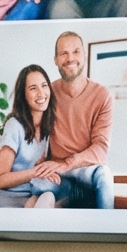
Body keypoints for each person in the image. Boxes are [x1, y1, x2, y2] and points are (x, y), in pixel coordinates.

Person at [41, 29, 113, 210]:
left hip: (85, 169)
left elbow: (101, 149)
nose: (70, 58)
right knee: (37, 183)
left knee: (104, 177)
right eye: (63, 53)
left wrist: (68, 164)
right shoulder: (47, 92)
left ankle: (107, 233)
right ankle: (72, 193)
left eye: (75, 51)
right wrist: (1, 130)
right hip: (56, 170)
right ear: (55, 59)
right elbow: (24, 116)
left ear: (85, 55)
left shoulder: (102, 95)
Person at [0, 63, 60, 207]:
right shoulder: (15, 125)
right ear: (23, 95)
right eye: (33, 88)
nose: (41, 93)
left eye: (44, 85)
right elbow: (1, 180)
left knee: (52, 196)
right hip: (5, 195)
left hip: (29, 191)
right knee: (48, 203)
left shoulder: (48, 125)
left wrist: (45, 169)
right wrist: (36, 172)